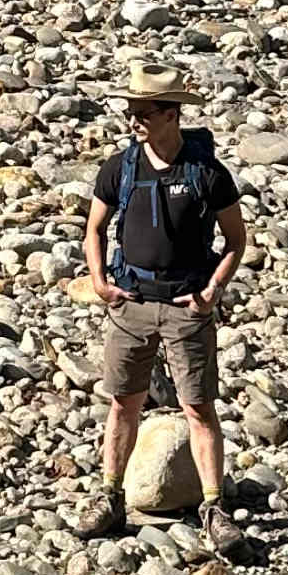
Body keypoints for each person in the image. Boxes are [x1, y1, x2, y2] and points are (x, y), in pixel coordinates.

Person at [76, 62, 250, 547]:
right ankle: (110, 496)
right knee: (122, 403)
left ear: (172, 114)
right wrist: (100, 282)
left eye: (144, 112)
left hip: (186, 306)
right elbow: (93, 229)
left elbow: (236, 240)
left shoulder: (207, 174)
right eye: (130, 111)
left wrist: (213, 289)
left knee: (198, 407)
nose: (133, 121)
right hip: (130, 304)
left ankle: (213, 507)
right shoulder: (120, 168)